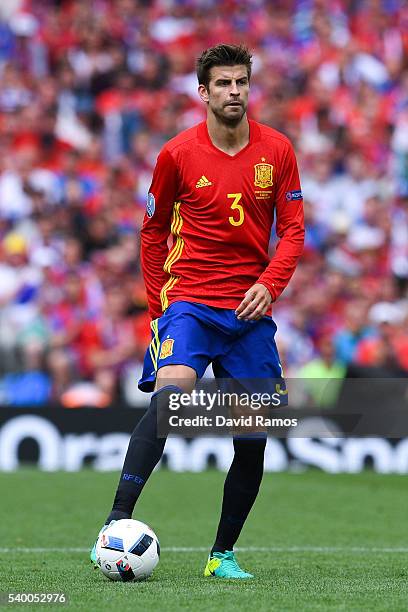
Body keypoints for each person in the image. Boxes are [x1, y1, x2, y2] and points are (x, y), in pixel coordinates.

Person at [90, 43, 304, 579]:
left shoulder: (277, 150)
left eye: (242, 82)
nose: (235, 91)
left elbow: (295, 231)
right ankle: (114, 526)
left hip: (249, 312)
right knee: (173, 398)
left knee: (255, 432)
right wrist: (160, 308)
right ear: (203, 91)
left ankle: (221, 556)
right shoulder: (177, 155)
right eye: (224, 83)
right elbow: (152, 231)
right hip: (189, 301)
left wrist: (270, 285)